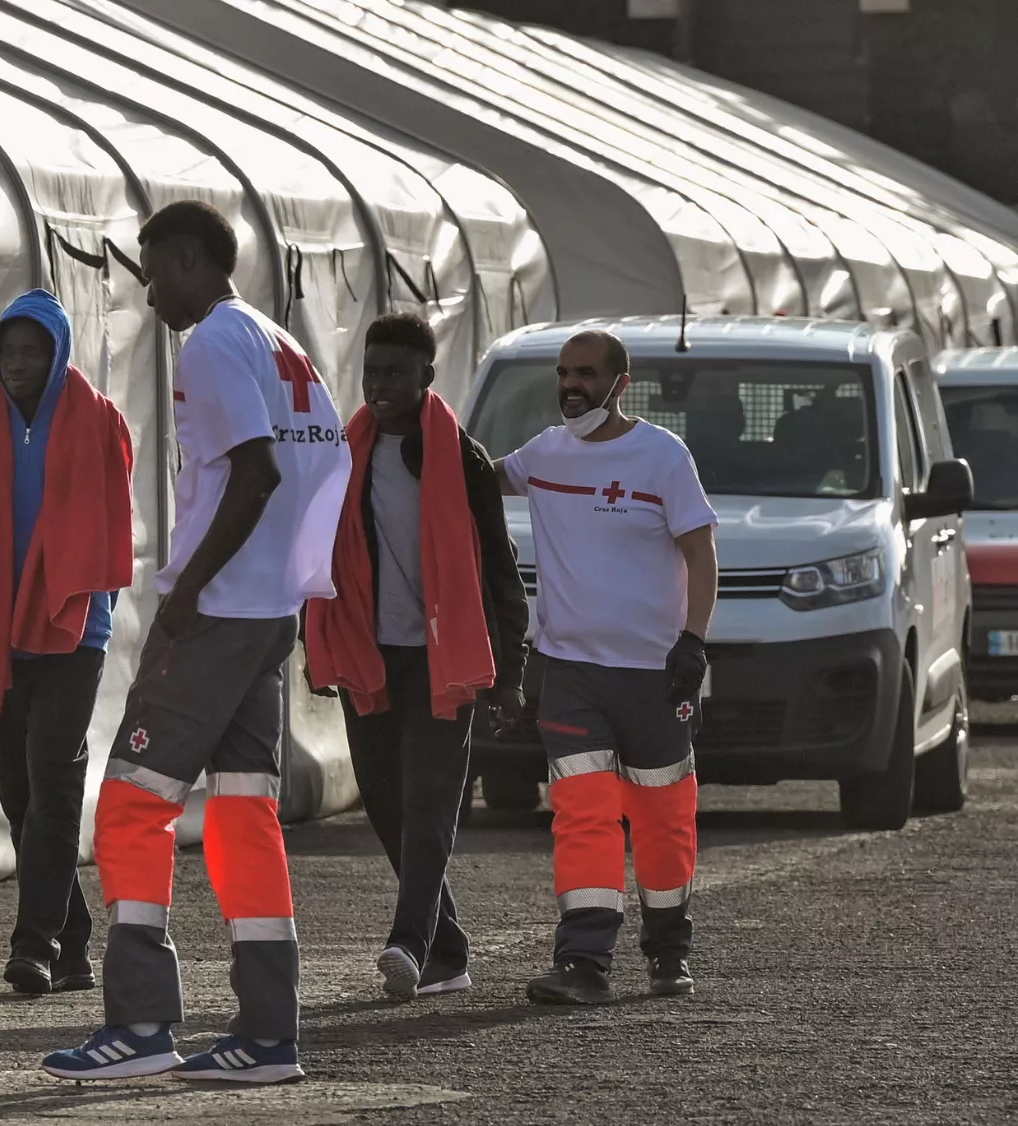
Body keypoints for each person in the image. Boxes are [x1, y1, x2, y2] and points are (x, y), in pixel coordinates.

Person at [42, 200, 350, 1084]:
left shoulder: (212, 342)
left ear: (185, 259)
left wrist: (193, 594)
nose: (147, 294)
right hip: (267, 614)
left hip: (220, 614)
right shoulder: (278, 341)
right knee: (246, 814)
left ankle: (139, 1028)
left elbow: (254, 473)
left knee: (133, 804)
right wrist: (292, 579)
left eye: (152, 272)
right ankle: (266, 1035)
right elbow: (325, 464)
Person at [304, 313, 528, 1001]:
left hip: (443, 657)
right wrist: (313, 639)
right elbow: (319, 552)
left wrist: (510, 675)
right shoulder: (348, 453)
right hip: (371, 656)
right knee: (385, 805)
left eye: (396, 373)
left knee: (429, 801)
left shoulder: (461, 460)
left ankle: (408, 940)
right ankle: (448, 951)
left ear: (427, 377)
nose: (380, 385)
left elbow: (500, 566)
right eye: (371, 371)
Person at [494, 330, 718, 1005]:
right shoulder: (543, 454)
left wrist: (694, 642)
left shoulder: (662, 457)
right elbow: (472, 480)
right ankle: (583, 961)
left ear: (621, 383)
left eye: (586, 374)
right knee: (582, 812)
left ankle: (668, 951)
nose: (571, 386)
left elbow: (702, 555)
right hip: (568, 671)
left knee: (661, 814)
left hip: (655, 674)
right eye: (563, 373)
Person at [0, 288, 134, 997]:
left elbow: (116, 519)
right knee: (20, 792)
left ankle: (36, 943)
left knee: (53, 779)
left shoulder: (98, 420)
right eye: (8, 351)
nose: (18, 364)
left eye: (33, 351)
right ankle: (76, 944)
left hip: (71, 627)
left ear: (57, 354)